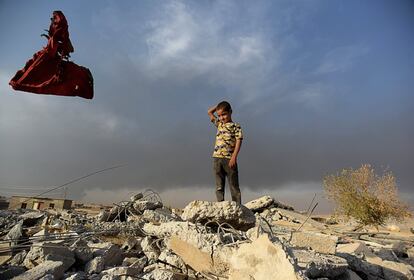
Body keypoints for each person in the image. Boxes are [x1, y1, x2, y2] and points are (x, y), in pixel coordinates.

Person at [208, 101, 243, 205]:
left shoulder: (236, 126)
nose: (222, 117)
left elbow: (239, 141)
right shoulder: (219, 124)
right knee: (219, 185)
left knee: (234, 185)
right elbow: (209, 112)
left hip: (229, 159)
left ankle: (237, 207)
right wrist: (218, 105)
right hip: (217, 158)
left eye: (224, 114)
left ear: (230, 112)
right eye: (219, 115)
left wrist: (234, 157)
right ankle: (220, 205)